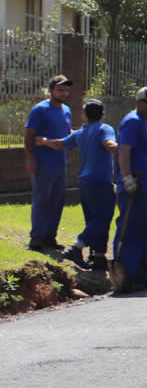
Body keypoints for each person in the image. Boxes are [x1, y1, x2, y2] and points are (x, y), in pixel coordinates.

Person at [35, 98, 116, 269]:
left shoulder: (80, 133)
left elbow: (59, 143)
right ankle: (77, 247)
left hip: (85, 182)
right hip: (101, 181)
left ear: (85, 115)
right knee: (103, 218)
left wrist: (43, 141)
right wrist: (126, 149)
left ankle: (99, 258)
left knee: (93, 220)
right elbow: (109, 144)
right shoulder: (105, 129)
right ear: (102, 114)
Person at [114, 87, 147, 292]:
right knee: (130, 230)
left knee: (142, 232)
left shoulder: (142, 123)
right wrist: (127, 178)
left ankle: (141, 276)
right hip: (134, 188)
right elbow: (124, 150)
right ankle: (126, 276)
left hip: (145, 189)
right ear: (138, 102)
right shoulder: (132, 122)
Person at [23, 75, 73, 251]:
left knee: (57, 201)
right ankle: (36, 239)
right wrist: (30, 158)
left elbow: (67, 132)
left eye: (66, 90)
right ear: (51, 90)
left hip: (61, 162)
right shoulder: (40, 110)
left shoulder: (66, 110)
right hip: (43, 163)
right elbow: (29, 135)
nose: (64, 93)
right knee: (42, 200)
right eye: (60, 89)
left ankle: (50, 237)